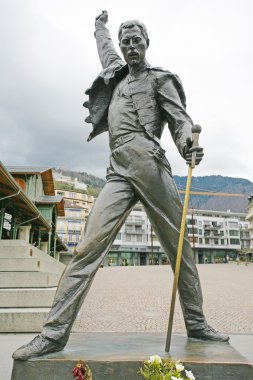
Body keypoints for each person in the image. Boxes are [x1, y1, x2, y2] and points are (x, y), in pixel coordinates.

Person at [13, 11, 229, 361]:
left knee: (179, 248)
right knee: (86, 249)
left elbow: (180, 120)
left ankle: (197, 323)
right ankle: (52, 335)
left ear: (147, 43)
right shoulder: (115, 75)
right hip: (117, 171)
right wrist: (99, 28)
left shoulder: (162, 80)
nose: (130, 46)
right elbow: (105, 49)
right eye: (125, 40)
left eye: (136, 40)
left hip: (150, 165)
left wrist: (189, 144)